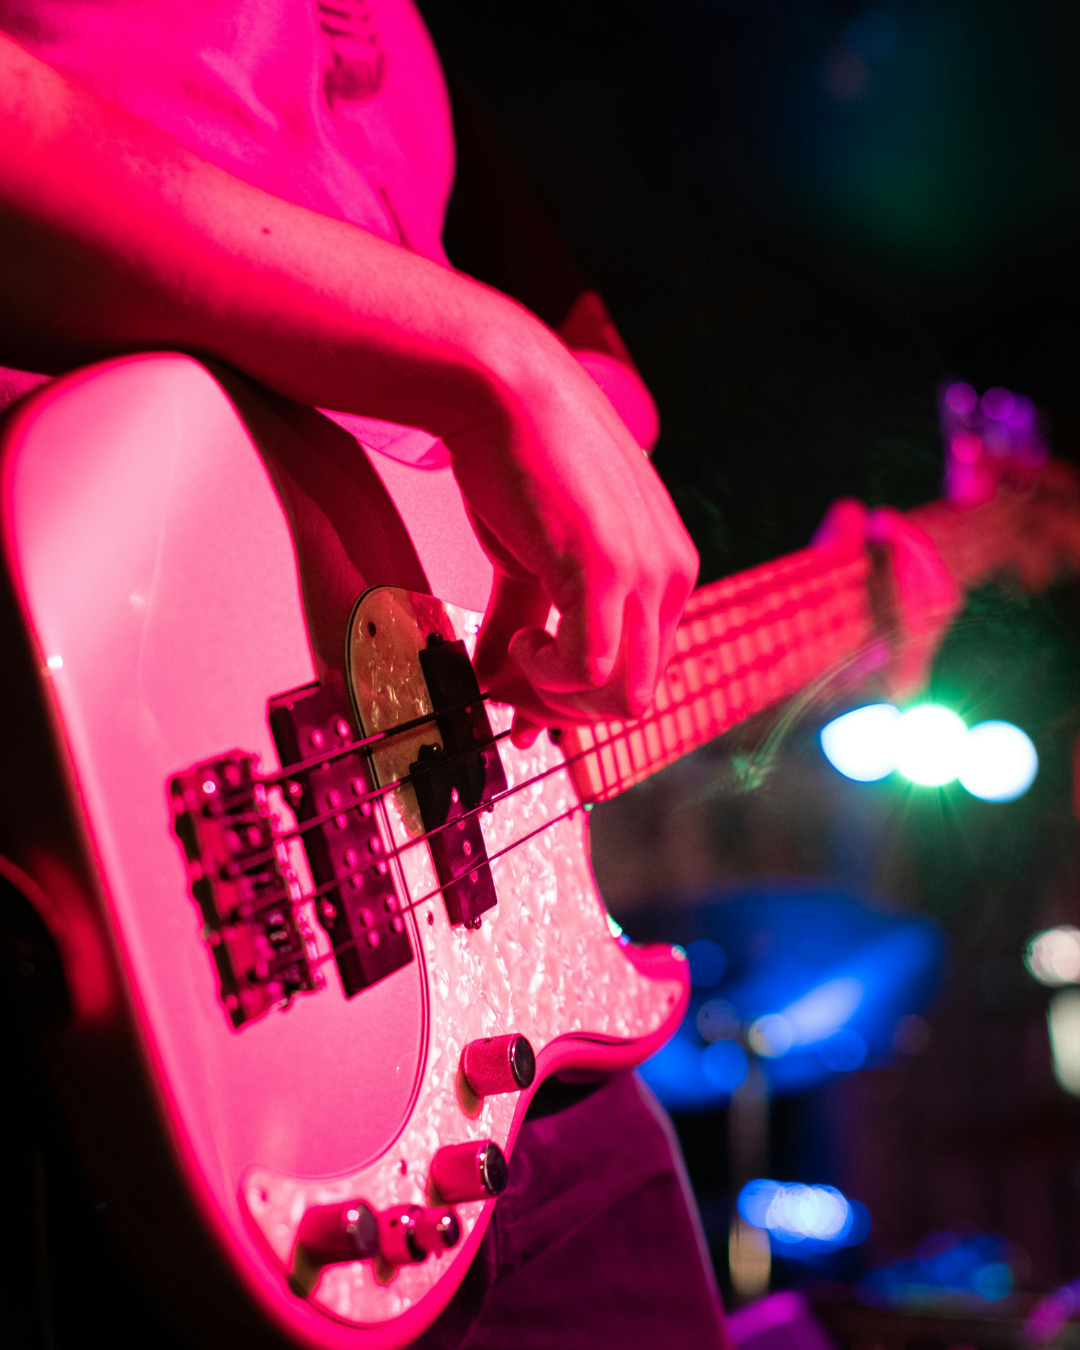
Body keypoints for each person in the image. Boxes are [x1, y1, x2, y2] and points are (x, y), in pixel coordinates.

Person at [0, 3, 727, 1345]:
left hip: (470, 991)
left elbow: (580, 381)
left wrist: (879, 575)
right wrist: (496, 364)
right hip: (99, 810)